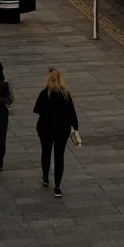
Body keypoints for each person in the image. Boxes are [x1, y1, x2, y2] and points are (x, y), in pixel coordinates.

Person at [33, 68, 78, 198]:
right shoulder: (65, 94)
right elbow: (72, 114)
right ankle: (57, 185)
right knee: (59, 156)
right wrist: (75, 127)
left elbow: (38, 111)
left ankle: (45, 177)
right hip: (62, 130)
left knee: (46, 153)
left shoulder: (44, 94)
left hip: (45, 129)